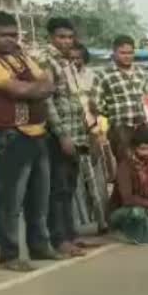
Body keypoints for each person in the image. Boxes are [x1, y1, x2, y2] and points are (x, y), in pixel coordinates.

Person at [0, 10, 58, 271]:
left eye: (14, 34)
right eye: (4, 35)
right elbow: (23, 89)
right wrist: (38, 89)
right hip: (11, 136)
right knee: (11, 200)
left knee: (39, 198)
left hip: (37, 132)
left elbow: (47, 82)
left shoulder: (21, 57)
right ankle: (9, 255)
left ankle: (39, 246)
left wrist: (37, 88)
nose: (10, 40)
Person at [38, 17, 98, 257]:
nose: (65, 41)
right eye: (61, 37)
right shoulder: (46, 60)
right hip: (58, 136)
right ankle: (59, 239)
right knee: (59, 189)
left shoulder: (68, 63)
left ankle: (71, 235)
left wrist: (87, 132)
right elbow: (47, 100)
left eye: (69, 37)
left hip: (77, 133)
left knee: (70, 189)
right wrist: (62, 135)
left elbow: (76, 99)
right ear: (51, 37)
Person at [95, 35, 148, 160]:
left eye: (130, 52)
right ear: (114, 52)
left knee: (145, 163)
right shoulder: (104, 75)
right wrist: (112, 113)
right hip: (119, 128)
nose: (127, 56)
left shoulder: (142, 73)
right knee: (124, 165)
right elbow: (95, 103)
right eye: (122, 53)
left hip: (142, 126)